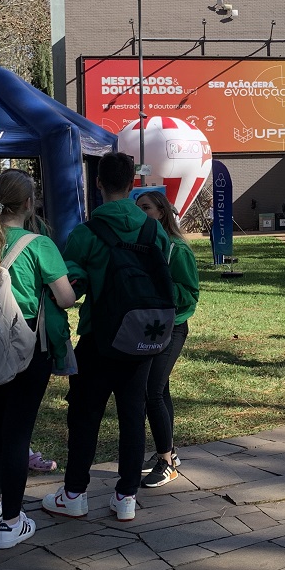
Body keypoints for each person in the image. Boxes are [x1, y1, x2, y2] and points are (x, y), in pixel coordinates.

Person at [45, 153, 190, 523]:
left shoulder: (85, 232)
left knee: (84, 414)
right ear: (131, 185)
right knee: (132, 413)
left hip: (98, 336)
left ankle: (74, 492)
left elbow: (70, 287)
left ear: (98, 183)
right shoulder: (152, 229)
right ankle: (126, 496)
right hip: (141, 336)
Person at [0, 170, 76, 548]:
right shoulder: (39, 246)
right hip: (27, 348)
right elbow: (66, 298)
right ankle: (11, 521)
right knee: (17, 433)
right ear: (28, 204)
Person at [135, 190, 200, 489]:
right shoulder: (141, 246)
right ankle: (169, 451)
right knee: (161, 390)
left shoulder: (177, 249)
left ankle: (167, 463)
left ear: (161, 212)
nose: (141, 213)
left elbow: (189, 294)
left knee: (152, 391)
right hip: (146, 327)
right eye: (137, 208)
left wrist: (157, 291)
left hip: (173, 327)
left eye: (146, 208)